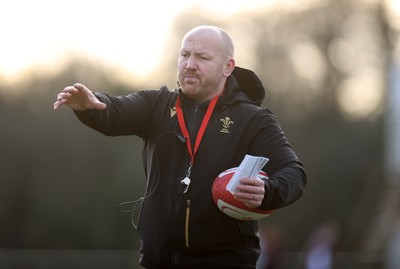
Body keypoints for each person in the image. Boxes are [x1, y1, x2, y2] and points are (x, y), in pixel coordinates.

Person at [53, 25, 307, 269]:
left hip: (226, 263)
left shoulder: (253, 119)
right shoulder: (158, 105)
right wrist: (90, 105)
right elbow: (116, 110)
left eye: (202, 57)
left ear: (228, 66)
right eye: (184, 55)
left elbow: (294, 173)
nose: (190, 64)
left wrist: (268, 190)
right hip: (158, 262)